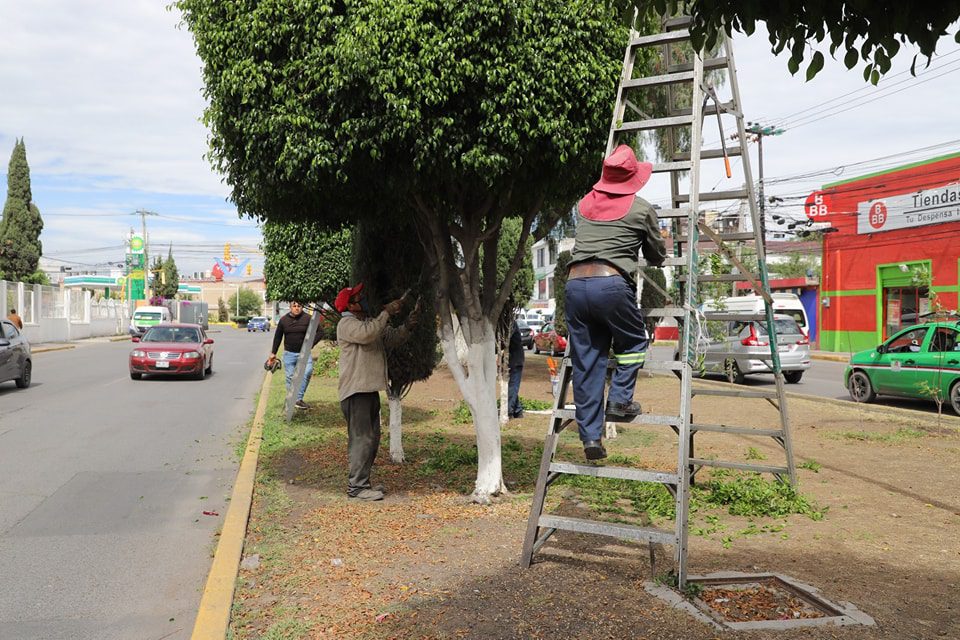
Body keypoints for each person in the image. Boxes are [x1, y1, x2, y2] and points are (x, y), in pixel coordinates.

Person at [564, 144, 667, 460]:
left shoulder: (584, 205)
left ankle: (591, 440)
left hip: (575, 286)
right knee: (634, 342)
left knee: (587, 363)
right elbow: (657, 255)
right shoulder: (641, 209)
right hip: (610, 284)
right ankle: (621, 400)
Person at [335, 283, 418, 501]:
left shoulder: (366, 322)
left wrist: (407, 327)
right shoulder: (347, 324)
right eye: (357, 297)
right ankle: (356, 487)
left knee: (372, 438)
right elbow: (368, 334)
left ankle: (363, 483)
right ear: (350, 305)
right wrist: (386, 312)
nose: (362, 298)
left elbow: (390, 338)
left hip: (368, 390)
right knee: (362, 439)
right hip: (356, 392)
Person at [267, 300, 322, 410]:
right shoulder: (283, 320)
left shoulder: (307, 318)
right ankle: (291, 400)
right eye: (294, 306)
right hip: (289, 354)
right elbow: (278, 337)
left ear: (302, 307)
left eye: (299, 306)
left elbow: (320, 332)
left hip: (304, 353)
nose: (297, 308)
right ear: (290, 307)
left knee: (307, 372)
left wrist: (310, 344)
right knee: (290, 378)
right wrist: (273, 353)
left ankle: (298, 399)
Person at [507, 321, 525, 419]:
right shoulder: (509, 323)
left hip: (516, 360)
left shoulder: (510, 324)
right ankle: (518, 411)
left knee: (512, 386)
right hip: (512, 359)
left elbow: (505, 341)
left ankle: (509, 411)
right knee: (512, 386)